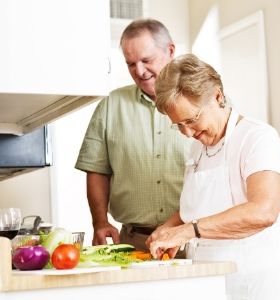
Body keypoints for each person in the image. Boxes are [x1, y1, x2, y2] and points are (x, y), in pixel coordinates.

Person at [147, 53, 280, 299]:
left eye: (191, 119)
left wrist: (188, 231)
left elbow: (264, 211)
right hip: (212, 279)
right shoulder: (199, 145)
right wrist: (171, 227)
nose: (187, 132)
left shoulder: (257, 137)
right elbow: (203, 205)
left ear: (217, 96)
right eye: (178, 125)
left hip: (257, 278)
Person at [75, 19, 191, 251]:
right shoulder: (110, 105)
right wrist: (99, 221)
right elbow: (97, 169)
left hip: (194, 238)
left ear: (170, 51)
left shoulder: (205, 101)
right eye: (131, 64)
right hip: (135, 242)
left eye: (146, 60)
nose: (139, 71)